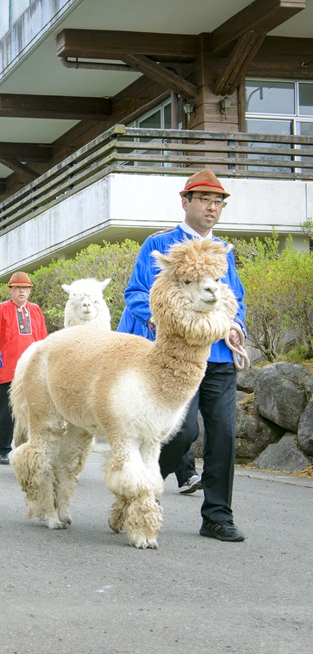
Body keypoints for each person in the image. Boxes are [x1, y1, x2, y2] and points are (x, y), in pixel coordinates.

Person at [117, 169, 247, 543]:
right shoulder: (160, 245)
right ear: (185, 201)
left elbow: (233, 296)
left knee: (223, 435)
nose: (212, 206)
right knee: (181, 433)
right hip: (175, 359)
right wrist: (163, 321)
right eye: (204, 198)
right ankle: (138, 494)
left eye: (218, 200)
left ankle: (217, 516)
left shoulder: (224, 252)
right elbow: (137, 294)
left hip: (218, 355)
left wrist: (236, 324)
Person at [0, 271, 48, 465]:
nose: (22, 292)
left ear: (29, 291)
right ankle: (3, 450)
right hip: (7, 369)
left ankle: (32, 448)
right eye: (18, 288)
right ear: (10, 290)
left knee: (34, 411)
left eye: (25, 288)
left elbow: (43, 337)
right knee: (6, 412)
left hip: (32, 371)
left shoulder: (35, 310)